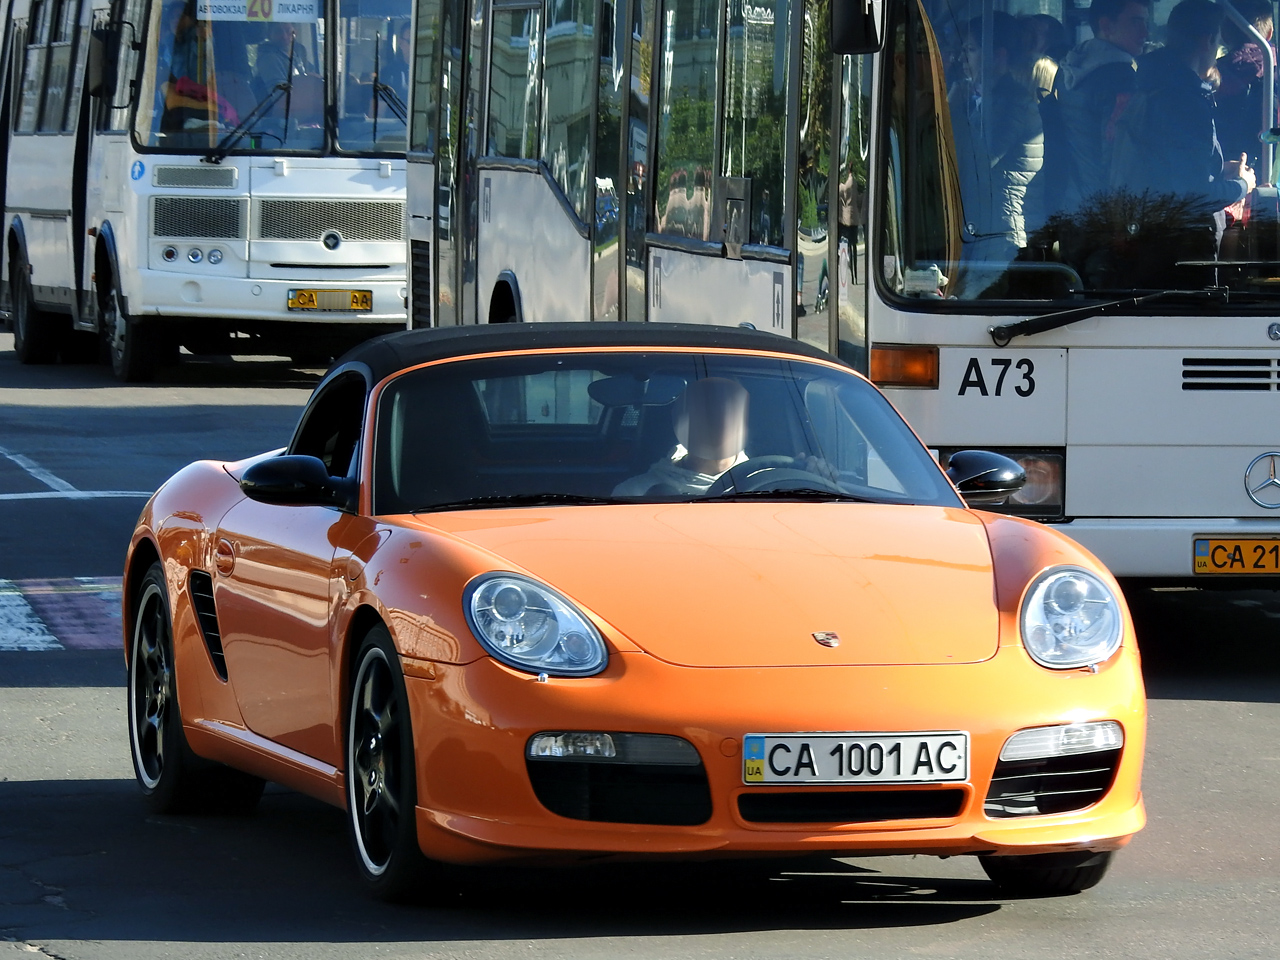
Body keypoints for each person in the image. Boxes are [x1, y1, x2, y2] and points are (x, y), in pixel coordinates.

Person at [1110, 0, 1256, 287]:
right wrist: (1243, 186)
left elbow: (1165, 166)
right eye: (1218, 43)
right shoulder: (1185, 101)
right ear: (1207, 40)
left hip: (1143, 232)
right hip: (1180, 246)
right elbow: (1192, 195)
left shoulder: (1151, 85)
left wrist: (1215, 168)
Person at [947, 12, 1044, 266]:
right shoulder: (982, 97)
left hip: (1000, 231)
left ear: (998, 55)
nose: (962, 59)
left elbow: (979, 159)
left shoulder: (1012, 101)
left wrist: (950, 110)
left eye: (970, 49)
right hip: (982, 225)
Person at [1049, 0, 1153, 214]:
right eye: (1136, 22)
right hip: (1106, 214)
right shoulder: (1120, 78)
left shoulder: (1070, 68)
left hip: (1073, 202)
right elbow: (1120, 158)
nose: (1145, 32)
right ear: (1106, 26)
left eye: (1146, 23)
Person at [613, 378, 750, 496]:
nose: (719, 422)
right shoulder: (633, 492)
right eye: (704, 413)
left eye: (728, 412)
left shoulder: (765, 484)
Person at [1215, 0, 1276, 171]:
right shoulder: (1275, 71)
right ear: (1270, 33)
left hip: (1223, 178)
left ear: (1224, 34)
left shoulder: (1210, 74)